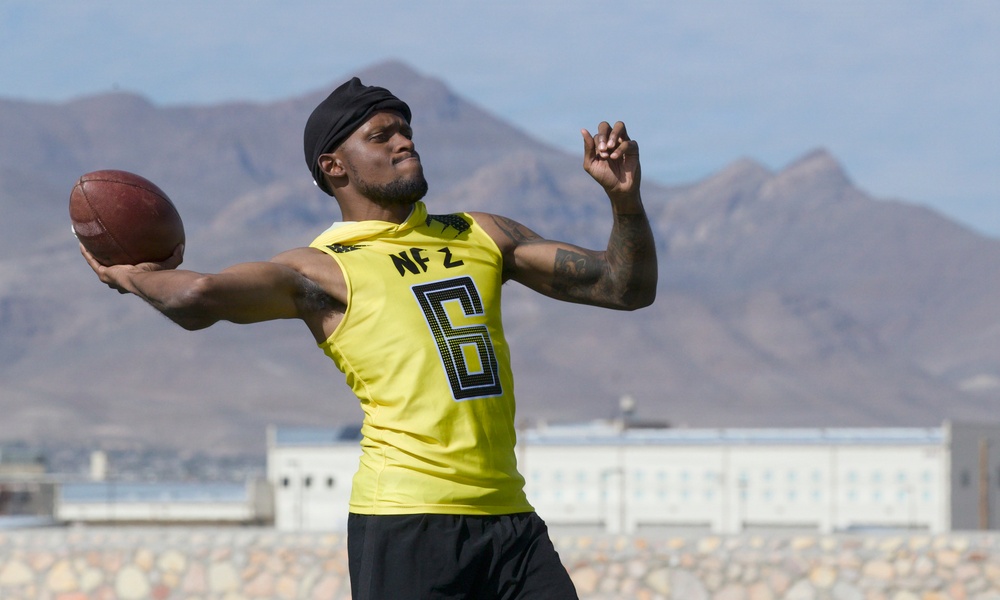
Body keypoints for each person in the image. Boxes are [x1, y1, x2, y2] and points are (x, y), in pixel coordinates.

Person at [81, 77, 657, 599]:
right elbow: (198, 296)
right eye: (382, 136)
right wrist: (128, 275)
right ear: (334, 166)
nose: (404, 143)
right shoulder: (323, 268)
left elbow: (623, 288)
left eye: (406, 131)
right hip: (407, 522)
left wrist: (623, 199)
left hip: (510, 518)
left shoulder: (480, 233)